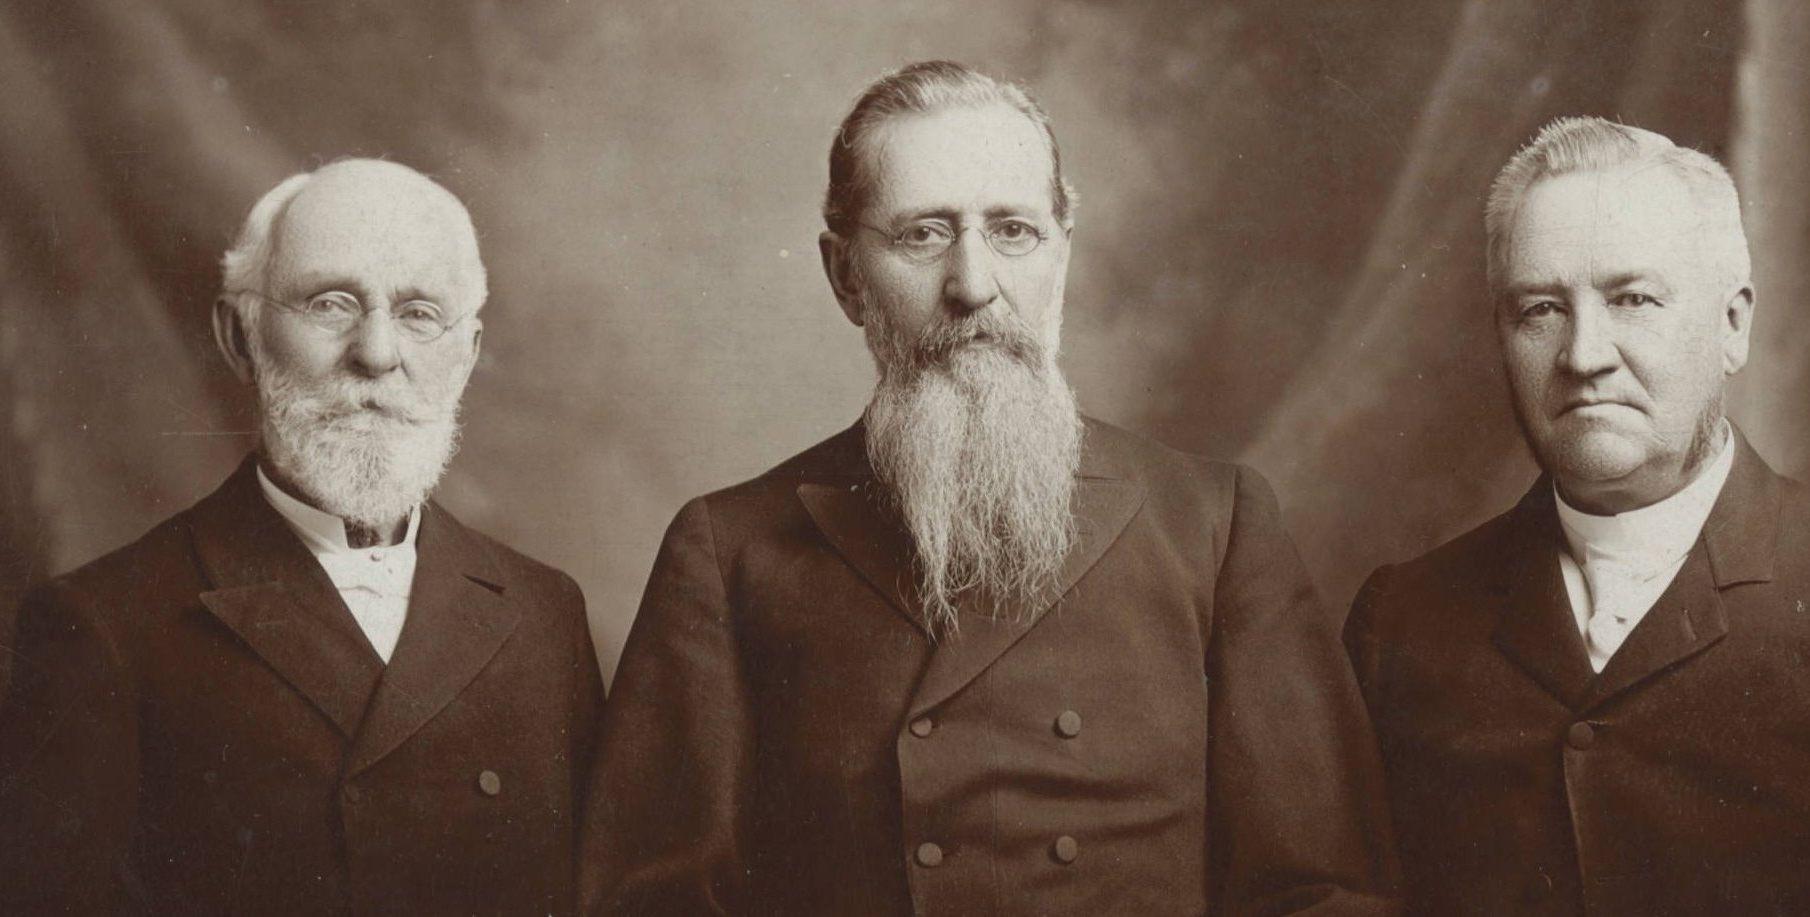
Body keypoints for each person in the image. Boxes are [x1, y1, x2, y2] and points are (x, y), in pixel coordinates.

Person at [579, 61, 1397, 916]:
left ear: (1063, 257)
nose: (973, 285)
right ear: (846, 277)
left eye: (1012, 230)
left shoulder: (1215, 525)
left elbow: (1323, 890)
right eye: (924, 234)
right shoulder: (729, 550)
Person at [1344, 116, 1810, 916]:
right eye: (1541, 309)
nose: (1585, 354)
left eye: (1634, 298)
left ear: (1733, 325)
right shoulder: (1400, 625)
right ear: (1502, 336)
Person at [0, 159, 602, 916]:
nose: (377, 352)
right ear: (241, 335)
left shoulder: (545, 614)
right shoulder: (106, 625)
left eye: (421, 313)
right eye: (332, 304)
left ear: (465, 355)